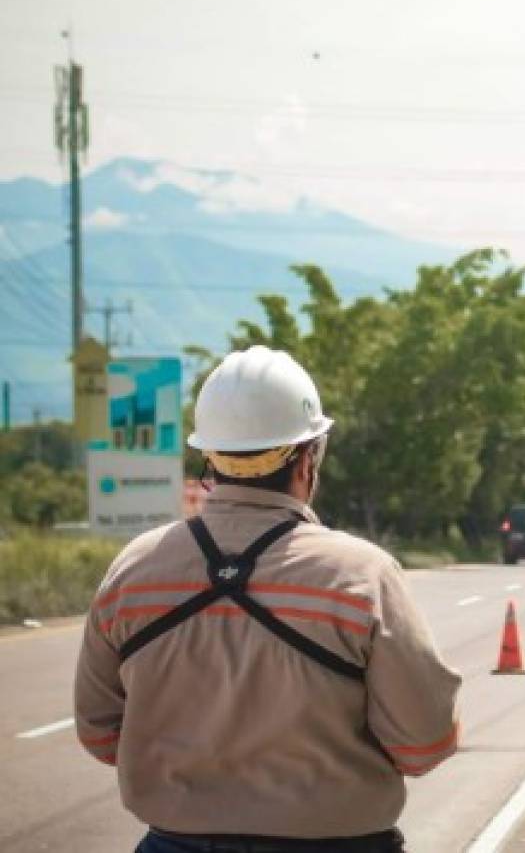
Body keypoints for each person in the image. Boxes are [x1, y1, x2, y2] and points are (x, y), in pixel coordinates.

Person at [75, 346, 462, 853]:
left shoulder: (135, 570)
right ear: (308, 458)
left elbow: (100, 734)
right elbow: (424, 744)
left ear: (209, 458)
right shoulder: (363, 575)